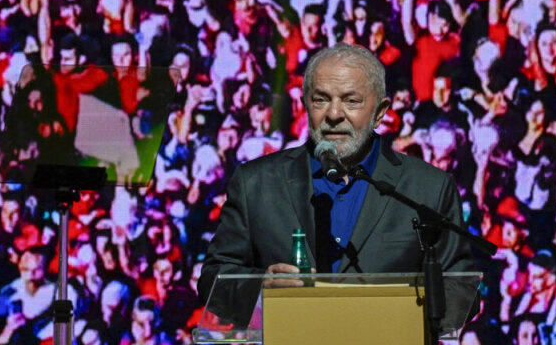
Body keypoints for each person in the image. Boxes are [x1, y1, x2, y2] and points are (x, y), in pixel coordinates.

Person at [199, 43, 476, 299]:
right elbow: (213, 280)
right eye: (321, 100)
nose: (333, 114)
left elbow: (461, 290)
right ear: (305, 105)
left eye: (351, 101)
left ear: (380, 112)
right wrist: (261, 285)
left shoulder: (427, 189)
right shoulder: (256, 184)